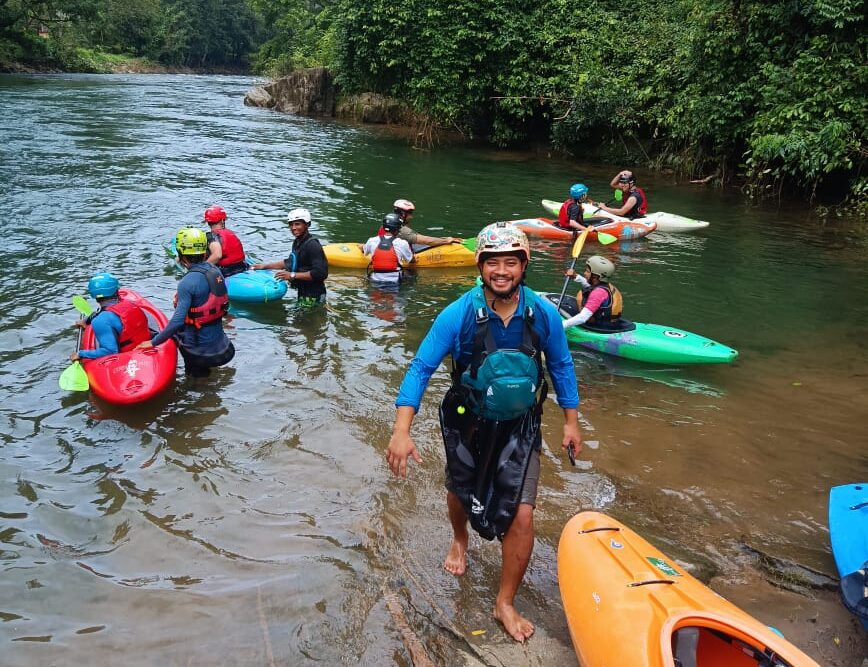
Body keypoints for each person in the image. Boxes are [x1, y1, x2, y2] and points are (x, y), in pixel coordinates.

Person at [386, 222, 581, 643]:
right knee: (460, 490)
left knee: (522, 513)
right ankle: (460, 539)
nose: (502, 271)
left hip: (521, 426)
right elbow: (421, 368)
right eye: (493, 263)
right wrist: (402, 430)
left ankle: (504, 602)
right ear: (480, 266)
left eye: (511, 262)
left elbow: (562, 365)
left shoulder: (542, 314)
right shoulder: (457, 314)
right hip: (469, 421)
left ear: (524, 266)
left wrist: (571, 421)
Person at [136, 228, 234, 378]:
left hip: (198, 352)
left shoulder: (187, 282)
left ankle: (197, 385)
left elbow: (177, 322)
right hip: (222, 347)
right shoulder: (215, 270)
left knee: (194, 381)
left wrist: (153, 342)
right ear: (205, 252)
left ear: (181, 255)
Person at [251, 208, 328, 307]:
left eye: (297, 224)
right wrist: (264, 266)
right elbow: (290, 262)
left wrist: (292, 275)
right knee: (300, 315)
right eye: (291, 224)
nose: (293, 228)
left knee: (307, 316)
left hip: (313, 294)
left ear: (307, 224)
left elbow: (321, 273)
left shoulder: (313, 245)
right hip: (303, 291)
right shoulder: (298, 242)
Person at [70, 272, 150, 361]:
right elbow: (103, 312)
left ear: (94, 295)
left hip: (130, 356)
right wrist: (86, 320)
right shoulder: (129, 303)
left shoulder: (100, 321)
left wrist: (80, 354)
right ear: (116, 290)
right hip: (147, 344)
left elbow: (111, 351)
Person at [561, 255, 624, 330]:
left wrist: (561, 325)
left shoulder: (598, 293)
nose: (584, 273)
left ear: (596, 276)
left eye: (587, 271)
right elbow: (590, 286)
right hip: (609, 323)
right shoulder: (604, 286)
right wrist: (575, 277)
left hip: (600, 327)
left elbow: (583, 318)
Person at [363, 213, 414, 283]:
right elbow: (411, 260)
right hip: (394, 282)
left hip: (375, 281)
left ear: (384, 226)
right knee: (411, 273)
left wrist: (361, 247)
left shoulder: (371, 240)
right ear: (398, 228)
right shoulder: (402, 243)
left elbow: (365, 252)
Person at [392, 198, 461, 247]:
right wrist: (446, 241)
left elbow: (416, 236)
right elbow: (427, 241)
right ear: (403, 214)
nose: (411, 217)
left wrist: (441, 239)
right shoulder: (401, 230)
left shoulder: (390, 223)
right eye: (410, 214)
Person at [203, 205, 248, 277]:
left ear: (207, 222)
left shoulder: (210, 236)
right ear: (222, 220)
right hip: (242, 266)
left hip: (225, 272)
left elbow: (217, 255)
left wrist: (202, 269)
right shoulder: (230, 233)